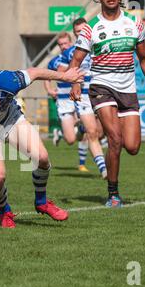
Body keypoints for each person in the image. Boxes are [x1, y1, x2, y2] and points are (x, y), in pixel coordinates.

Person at [0, 67, 85, 229]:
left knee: (42, 158)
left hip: (10, 119)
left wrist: (64, 76)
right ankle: (5, 211)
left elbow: (34, 73)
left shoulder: (5, 80)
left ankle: (42, 202)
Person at [69, 0, 145, 207]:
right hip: (101, 87)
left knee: (132, 146)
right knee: (115, 139)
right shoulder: (91, 27)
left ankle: (91, 133)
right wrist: (75, 83)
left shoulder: (134, 22)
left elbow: (144, 58)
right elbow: (76, 59)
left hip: (128, 90)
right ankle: (113, 193)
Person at [46, 23, 108, 178]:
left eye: (65, 43)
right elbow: (53, 73)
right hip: (68, 97)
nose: (63, 46)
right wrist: (49, 89)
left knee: (96, 132)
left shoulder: (97, 46)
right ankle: (64, 132)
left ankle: (103, 169)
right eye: (60, 44)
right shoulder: (68, 54)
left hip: (90, 93)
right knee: (71, 139)